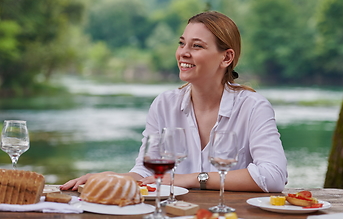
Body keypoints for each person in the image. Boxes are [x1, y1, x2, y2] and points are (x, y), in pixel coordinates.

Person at [60, 11, 288, 193]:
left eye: (196, 46)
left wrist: (190, 180)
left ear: (226, 58)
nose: (183, 53)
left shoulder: (253, 107)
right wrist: (109, 178)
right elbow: (145, 170)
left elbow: (274, 176)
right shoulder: (164, 104)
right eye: (182, 43)